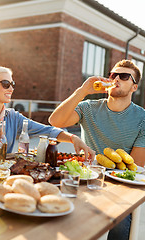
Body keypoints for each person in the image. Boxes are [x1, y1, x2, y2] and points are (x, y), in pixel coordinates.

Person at [49, 59, 145, 240]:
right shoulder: (89, 108)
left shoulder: (143, 119)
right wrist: (83, 91)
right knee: (60, 215)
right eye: (113, 75)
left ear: (134, 87)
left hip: (119, 186)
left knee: (119, 224)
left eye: (124, 76)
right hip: (86, 180)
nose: (116, 79)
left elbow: (136, 167)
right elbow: (55, 122)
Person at [0, 66, 95, 159]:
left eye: (12, 84)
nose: (11, 88)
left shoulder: (13, 117)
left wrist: (73, 138)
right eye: (5, 84)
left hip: (3, 177)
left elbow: (47, 130)